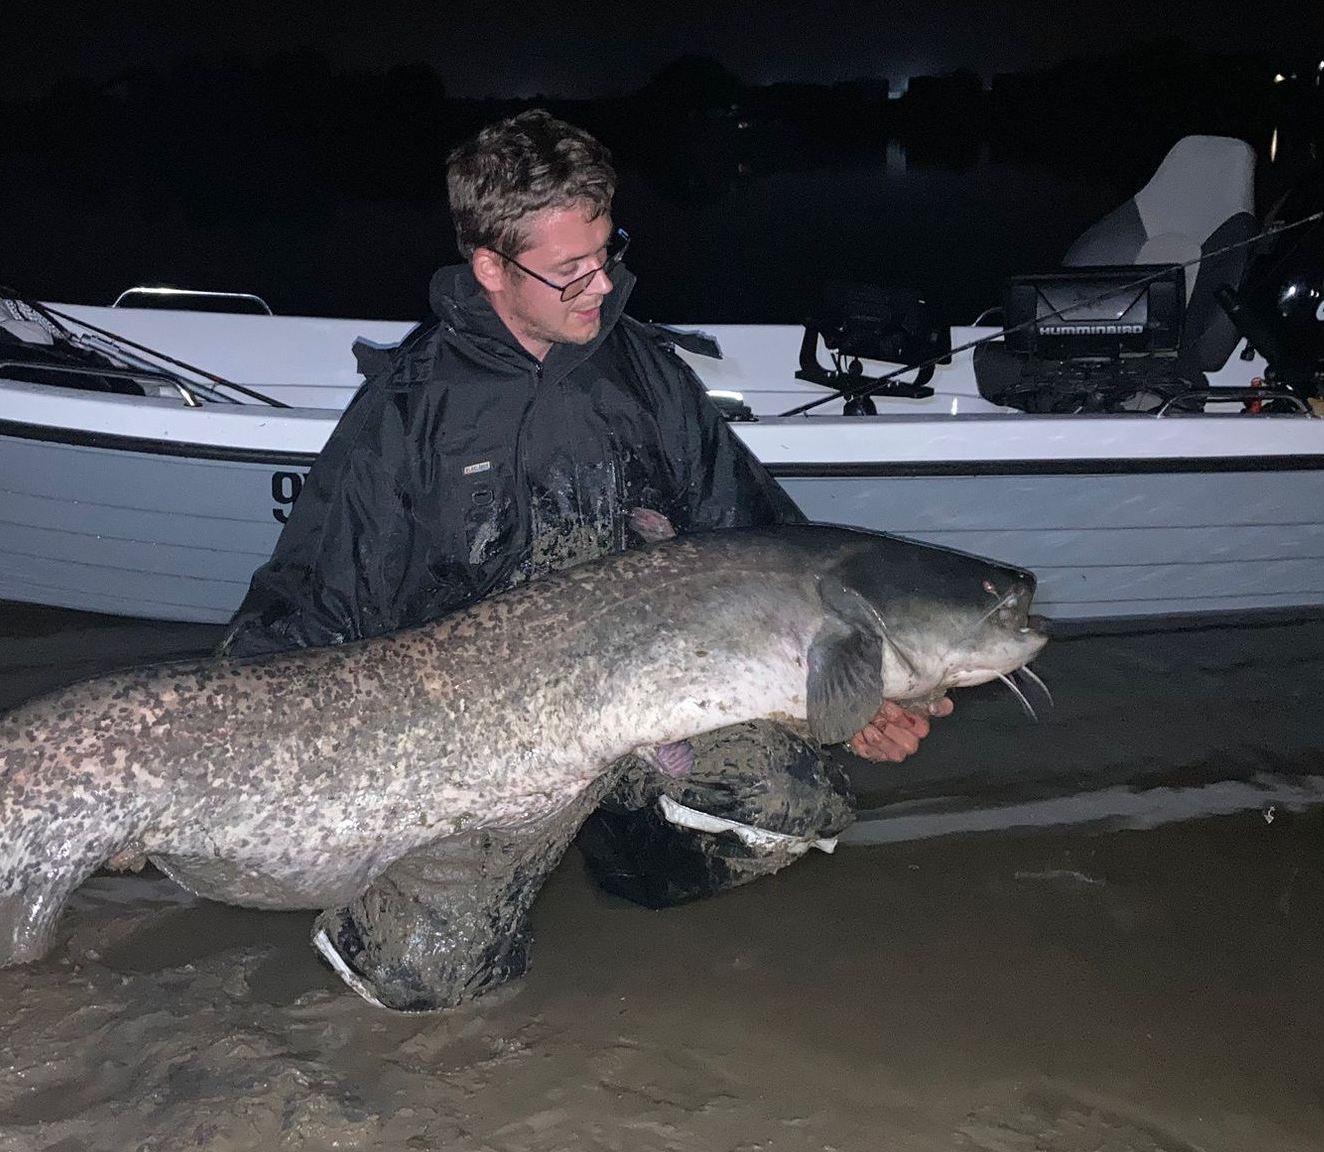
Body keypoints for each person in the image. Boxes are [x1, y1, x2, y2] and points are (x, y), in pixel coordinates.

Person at [216, 109, 952, 1010]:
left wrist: (855, 693)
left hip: (652, 718)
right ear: (492, 266)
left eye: (608, 251)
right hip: (476, 753)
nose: (603, 284)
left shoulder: (646, 375)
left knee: (785, 805)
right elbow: (307, 608)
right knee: (425, 986)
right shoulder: (407, 414)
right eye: (571, 270)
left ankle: (621, 863)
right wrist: (219, 759)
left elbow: (769, 552)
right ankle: (430, 884)